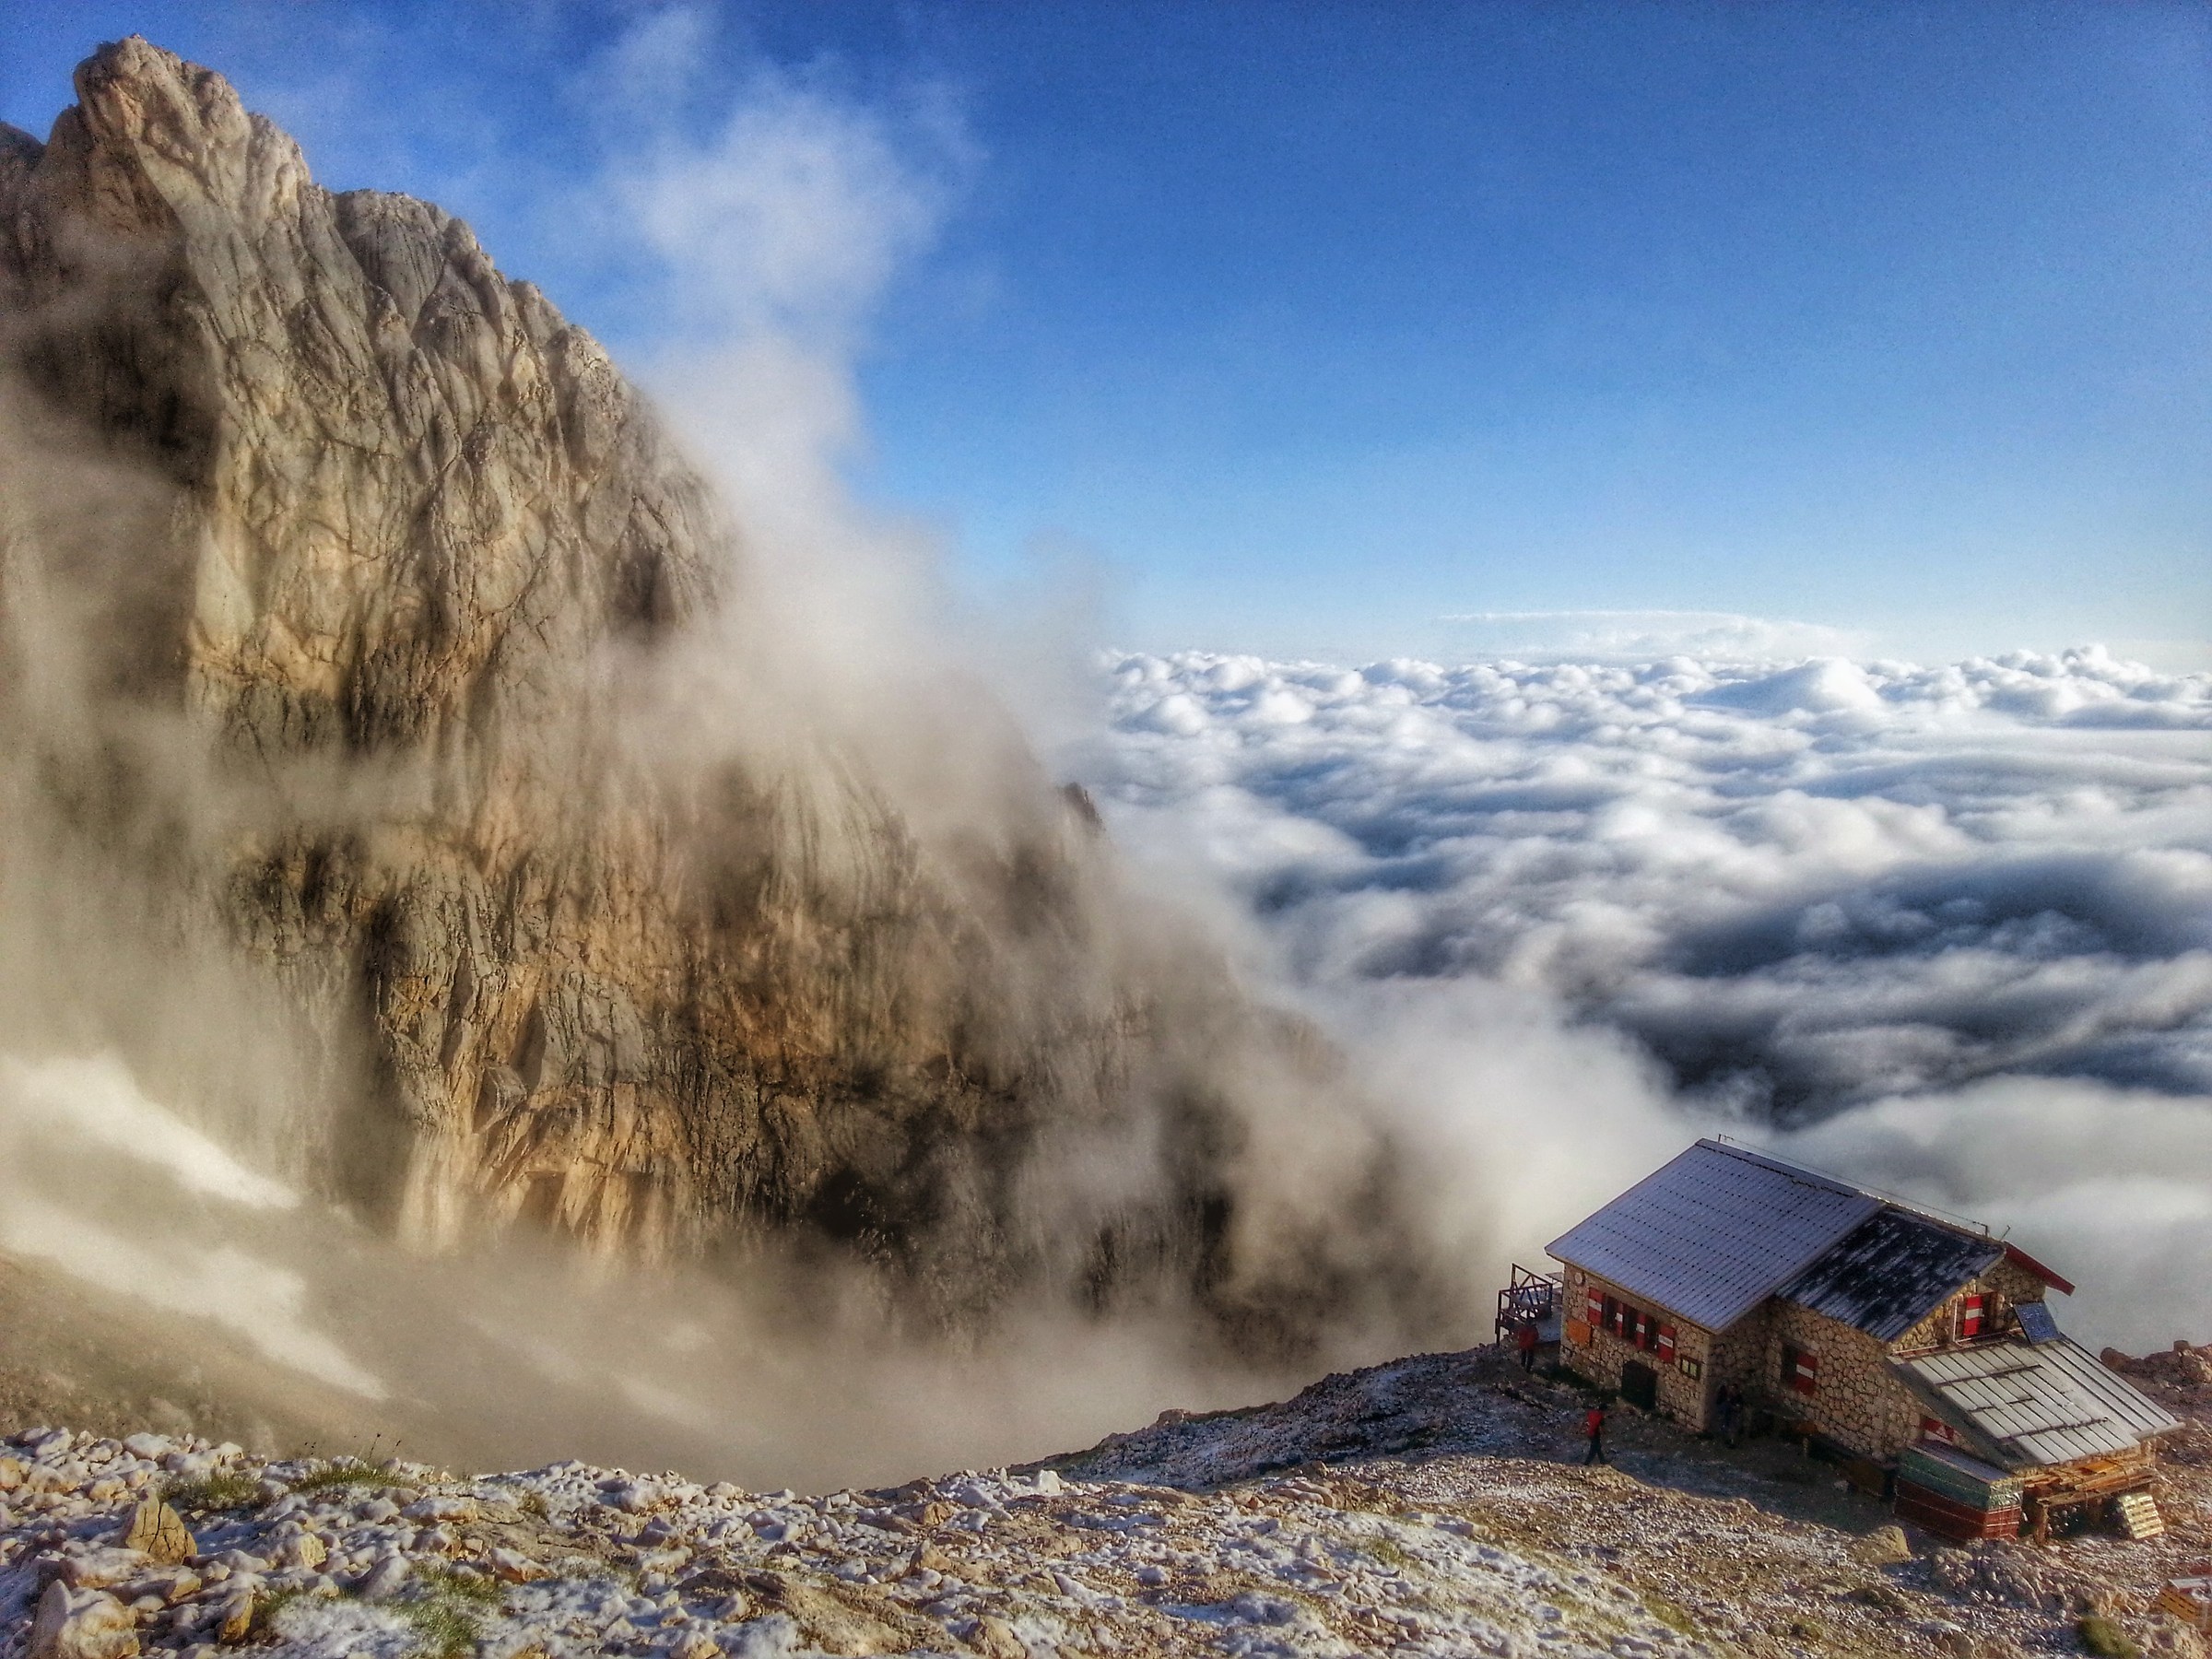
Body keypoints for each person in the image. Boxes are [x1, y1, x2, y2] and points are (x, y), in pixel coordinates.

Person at [1715, 1382, 1743, 1449]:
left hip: (1735, 1414)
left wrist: (1731, 1406)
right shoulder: (1729, 1396)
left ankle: (1733, 1442)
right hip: (1728, 1414)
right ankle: (1727, 1440)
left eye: (1733, 1389)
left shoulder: (1738, 1397)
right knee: (1726, 1426)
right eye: (1731, 1389)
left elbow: (1738, 1408)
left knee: (1733, 1428)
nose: (1732, 1391)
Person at [1582, 1400, 1607, 1465]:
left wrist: (1580, 1428)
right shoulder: (1601, 1417)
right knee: (1593, 1450)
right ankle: (1586, 1463)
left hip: (1589, 1432)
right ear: (1603, 1410)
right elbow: (1602, 1428)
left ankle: (1603, 1461)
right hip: (1595, 1434)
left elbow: (1585, 1420)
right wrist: (1605, 1433)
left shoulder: (1592, 1413)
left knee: (1598, 1448)